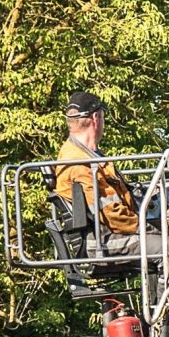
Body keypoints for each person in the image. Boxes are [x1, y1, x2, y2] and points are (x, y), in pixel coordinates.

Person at [51, 90, 142, 255]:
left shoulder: (88, 155)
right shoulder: (79, 163)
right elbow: (109, 212)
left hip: (114, 230)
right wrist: (145, 227)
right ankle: (168, 280)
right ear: (96, 118)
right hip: (104, 239)